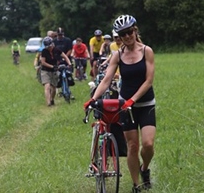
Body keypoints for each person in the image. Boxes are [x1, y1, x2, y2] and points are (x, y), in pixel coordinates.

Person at [84, 15, 156, 193]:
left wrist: (134, 99)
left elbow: (148, 81)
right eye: (122, 34)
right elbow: (107, 79)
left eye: (129, 32)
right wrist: (94, 98)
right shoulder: (117, 55)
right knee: (132, 146)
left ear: (135, 30)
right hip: (125, 106)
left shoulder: (147, 51)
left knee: (147, 144)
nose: (127, 36)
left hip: (145, 103)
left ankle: (144, 168)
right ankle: (136, 184)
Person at [40, 36, 72, 106]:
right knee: (47, 86)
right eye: (48, 46)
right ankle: (48, 103)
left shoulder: (57, 50)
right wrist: (52, 66)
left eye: (50, 46)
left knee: (53, 88)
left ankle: (52, 99)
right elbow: (43, 62)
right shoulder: (44, 52)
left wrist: (69, 64)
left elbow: (65, 56)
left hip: (54, 71)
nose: (49, 48)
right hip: (45, 70)